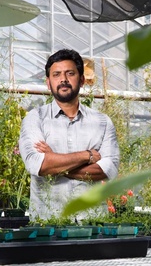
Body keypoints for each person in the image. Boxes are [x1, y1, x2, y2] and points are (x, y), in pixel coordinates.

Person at [18, 49, 120, 221]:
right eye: (56, 74)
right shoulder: (35, 119)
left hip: (93, 222)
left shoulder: (102, 122)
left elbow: (107, 170)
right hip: (48, 224)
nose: (63, 79)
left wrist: (54, 161)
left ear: (81, 80)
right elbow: (39, 166)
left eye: (70, 73)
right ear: (48, 83)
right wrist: (87, 156)